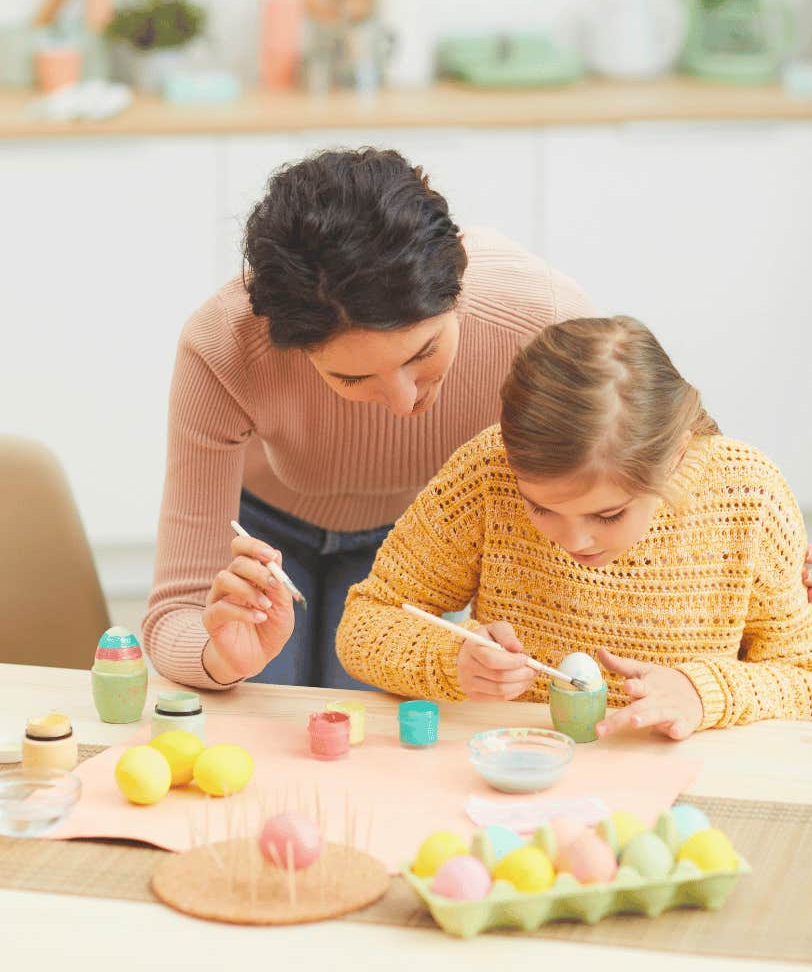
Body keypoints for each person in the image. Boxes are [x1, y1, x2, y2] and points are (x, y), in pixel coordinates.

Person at [142, 148, 594, 691]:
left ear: (458, 285)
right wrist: (219, 659)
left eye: (423, 352)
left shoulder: (543, 322)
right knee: (257, 705)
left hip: (419, 544)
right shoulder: (221, 346)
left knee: (365, 727)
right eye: (351, 380)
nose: (405, 404)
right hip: (267, 535)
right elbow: (175, 611)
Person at [336, 317, 812, 737]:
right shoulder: (488, 472)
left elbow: (810, 680)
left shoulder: (748, 494)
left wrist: (703, 693)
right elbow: (364, 624)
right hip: (520, 771)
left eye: (609, 514)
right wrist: (453, 659)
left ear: (676, 455)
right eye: (540, 507)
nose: (574, 540)